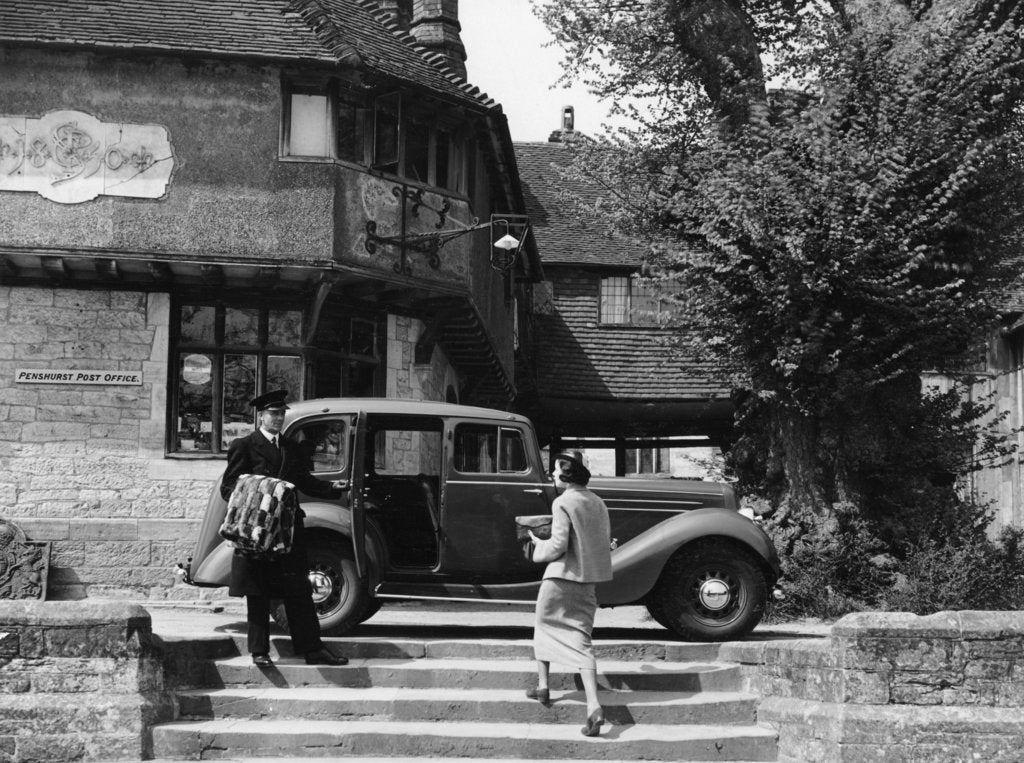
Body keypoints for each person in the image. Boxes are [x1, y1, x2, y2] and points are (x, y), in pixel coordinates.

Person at [220, 388, 348, 668]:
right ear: (261, 416)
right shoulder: (244, 445)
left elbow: (305, 481)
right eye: (273, 414)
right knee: (258, 590)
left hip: (288, 529)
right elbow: (229, 488)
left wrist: (333, 489)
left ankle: (312, 649)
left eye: (281, 414)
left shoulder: (291, 447)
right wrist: (262, 492)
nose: (278, 418)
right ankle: (259, 652)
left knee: (298, 589)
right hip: (257, 531)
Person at [527, 449, 613, 737]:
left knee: (542, 626)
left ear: (566, 473)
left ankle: (543, 686)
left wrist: (535, 545)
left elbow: (558, 546)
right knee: (582, 641)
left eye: (555, 469)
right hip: (587, 582)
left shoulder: (563, 502)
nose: (552, 474)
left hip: (559, 580)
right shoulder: (598, 502)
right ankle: (593, 706)